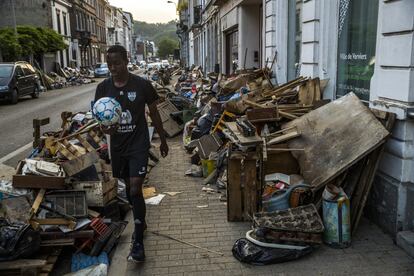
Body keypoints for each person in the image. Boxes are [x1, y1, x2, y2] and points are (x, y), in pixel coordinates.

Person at [94, 45, 169, 263]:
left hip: (138, 144)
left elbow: (154, 113)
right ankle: (140, 221)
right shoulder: (103, 89)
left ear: (126, 61)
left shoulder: (142, 85)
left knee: (136, 187)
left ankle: (137, 242)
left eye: (116, 63)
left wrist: (163, 140)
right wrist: (105, 129)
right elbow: (101, 121)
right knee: (129, 189)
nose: (113, 68)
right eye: (109, 64)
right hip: (118, 148)